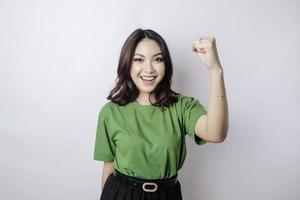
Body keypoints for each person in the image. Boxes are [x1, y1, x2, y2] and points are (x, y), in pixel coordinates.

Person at [93, 28, 229, 200]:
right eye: (138, 60)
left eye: (157, 59)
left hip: (167, 195)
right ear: (127, 63)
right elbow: (109, 167)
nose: (149, 69)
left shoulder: (182, 106)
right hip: (121, 194)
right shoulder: (110, 112)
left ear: (166, 64)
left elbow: (216, 134)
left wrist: (215, 70)